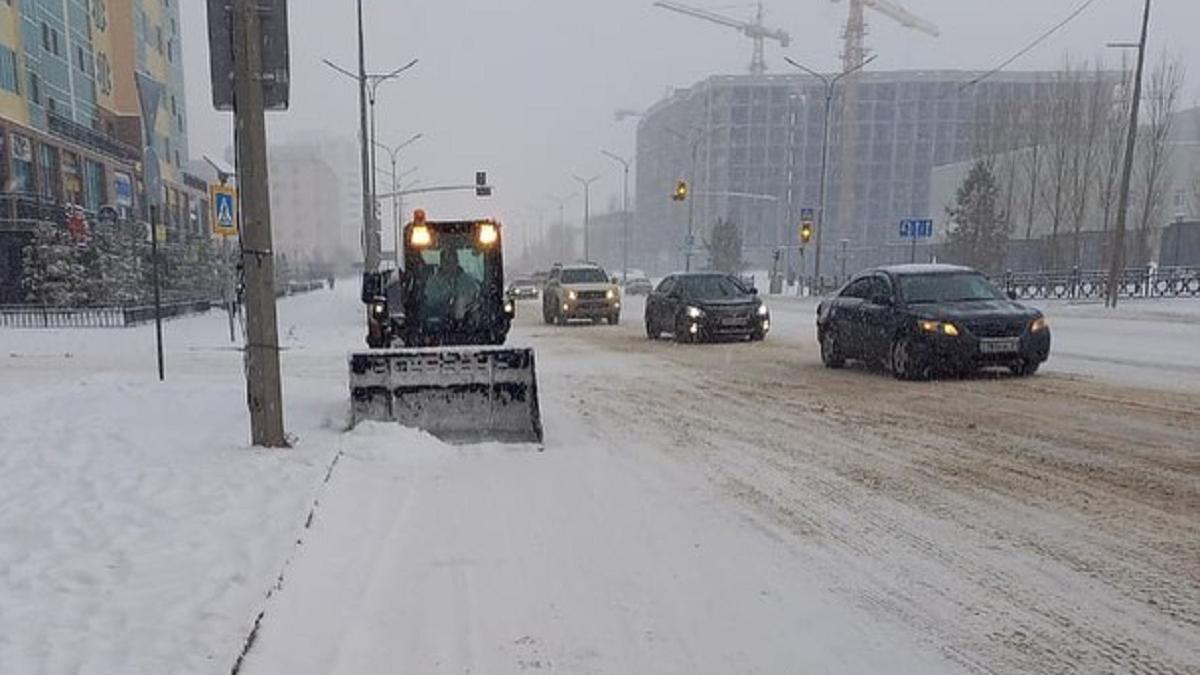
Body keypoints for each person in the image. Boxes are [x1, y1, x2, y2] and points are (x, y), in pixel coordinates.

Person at [422, 247, 481, 322]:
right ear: (441, 263)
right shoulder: (433, 282)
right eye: (446, 263)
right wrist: (447, 300)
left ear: (457, 262)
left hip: (467, 324)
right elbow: (429, 300)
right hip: (438, 324)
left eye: (452, 262)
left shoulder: (468, 281)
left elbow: (474, 298)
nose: (450, 266)